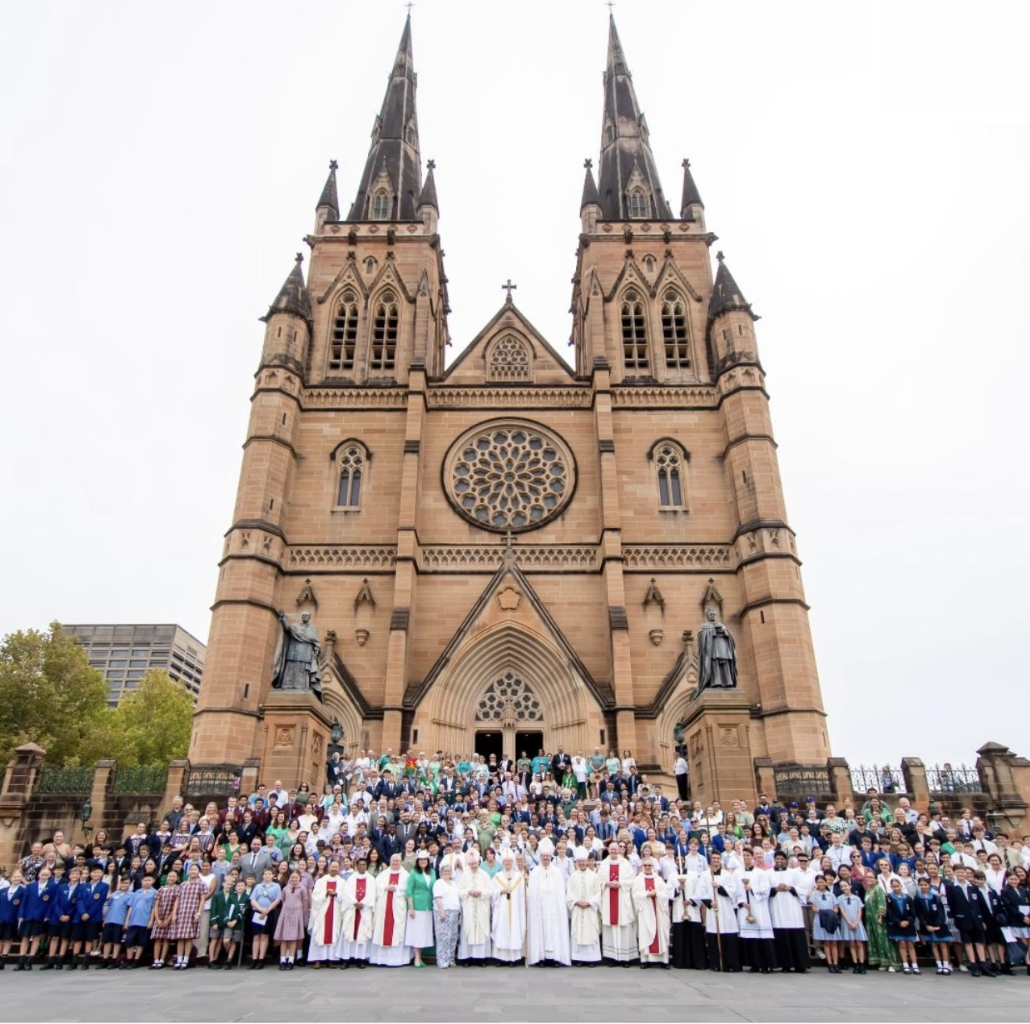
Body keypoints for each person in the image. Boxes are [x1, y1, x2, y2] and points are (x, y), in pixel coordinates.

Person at [695, 851, 742, 972]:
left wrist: (720, 887)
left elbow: (734, 890)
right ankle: (716, 963)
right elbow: (700, 892)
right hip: (713, 909)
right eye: (714, 858)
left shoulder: (727, 875)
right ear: (710, 860)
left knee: (728, 934)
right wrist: (710, 902)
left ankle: (730, 963)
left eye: (717, 858)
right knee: (714, 934)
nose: (716, 860)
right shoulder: (705, 875)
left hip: (725, 907)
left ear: (720, 860)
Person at [527, 842, 570, 967]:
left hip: (553, 908)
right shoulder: (535, 871)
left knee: (555, 931)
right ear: (540, 857)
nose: (545, 858)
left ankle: (556, 958)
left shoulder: (556, 872)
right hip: (539, 908)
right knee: (540, 932)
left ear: (551, 857)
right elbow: (532, 892)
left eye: (547, 856)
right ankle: (541, 958)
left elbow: (561, 891)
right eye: (543, 856)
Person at [737, 847, 776, 973]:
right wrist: (742, 902)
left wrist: (752, 889)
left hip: (759, 908)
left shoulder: (760, 873)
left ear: (752, 857)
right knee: (750, 938)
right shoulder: (738, 873)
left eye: (748, 855)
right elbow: (734, 891)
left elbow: (766, 889)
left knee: (762, 937)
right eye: (744, 855)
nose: (746, 857)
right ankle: (754, 964)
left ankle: (766, 964)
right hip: (745, 908)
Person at [600, 839, 636, 964]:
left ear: (619, 850)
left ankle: (625, 957)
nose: (614, 851)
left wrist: (620, 884)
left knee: (623, 926)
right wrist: (606, 883)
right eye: (612, 849)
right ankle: (612, 957)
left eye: (616, 849)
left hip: (621, 897)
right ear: (608, 850)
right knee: (610, 927)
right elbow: (598, 880)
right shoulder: (604, 864)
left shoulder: (625, 863)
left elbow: (632, 879)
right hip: (608, 898)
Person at [632, 857, 672, 969]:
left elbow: (666, 892)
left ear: (653, 867)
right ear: (642, 867)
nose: (648, 867)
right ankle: (645, 960)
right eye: (645, 865)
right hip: (645, 910)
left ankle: (664, 960)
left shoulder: (658, 879)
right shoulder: (638, 879)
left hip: (658, 910)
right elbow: (635, 894)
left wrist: (657, 893)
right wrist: (646, 894)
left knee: (661, 934)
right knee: (645, 933)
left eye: (650, 865)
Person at [370, 853, 410, 967]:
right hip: (383, 907)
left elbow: (407, 889)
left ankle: (397, 959)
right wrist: (385, 888)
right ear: (390, 862)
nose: (395, 863)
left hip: (398, 907)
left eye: (397, 861)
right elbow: (376, 888)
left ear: (401, 862)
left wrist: (396, 888)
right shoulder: (383, 874)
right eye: (393, 861)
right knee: (382, 928)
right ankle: (382, 958)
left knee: (397, 930)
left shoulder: (405, 875)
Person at [566, 848, 602, 965]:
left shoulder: (594, 876)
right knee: (578, 931)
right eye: (579, 861)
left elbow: (598, 892)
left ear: (587, 861)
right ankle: (578, 958)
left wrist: (590, 903)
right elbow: (569, 892)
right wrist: (576, 902)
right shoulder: (572, 877)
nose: (581, 863)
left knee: (590, 931)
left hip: (590, 908)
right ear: (576, 863)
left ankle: (592, 958)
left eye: (583, 861)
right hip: (577, 908)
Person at [16, 864, 55, 970]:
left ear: (50, 876)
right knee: (25, 937)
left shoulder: (52, 886)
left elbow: (52, 903)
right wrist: (21, 914)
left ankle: (30, 960)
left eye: (46, 874)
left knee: (36, 937)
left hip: (40, 916)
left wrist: (47, 914)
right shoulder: (31, 886)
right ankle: (21, 960)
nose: (44, 876)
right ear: (39, 875)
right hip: (28, 915)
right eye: (42, 874)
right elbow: (24, 901)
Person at [457, 848, 492, 965]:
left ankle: (481, 958)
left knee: (481, 930)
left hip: (481, 907)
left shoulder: (485, 875)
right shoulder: (464, 875)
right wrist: (468, 892)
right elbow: (459, 891)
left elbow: (490, 891)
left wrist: (481, 892)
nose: (473, 866)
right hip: (469, 907)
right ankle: (467, 958)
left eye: (475, 863)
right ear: (468, 863)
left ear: (479, 862)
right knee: (468, 929)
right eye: (471, 864)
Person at [491, 851, 526, 966]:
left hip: (515, 909)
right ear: (502, 862)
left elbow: (522, 895)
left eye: (510, 861)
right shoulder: (497, 876)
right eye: (506, 861)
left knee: (514, 930)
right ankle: (500, 958)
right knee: (501, 930)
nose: (508, 863)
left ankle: (512, 959)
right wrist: (501, 891)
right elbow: (492, 892)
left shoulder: (519, 877)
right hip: (501, 909)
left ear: (513, 862)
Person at [914, 874, 952, 974]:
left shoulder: (936, 897)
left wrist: (938, 925)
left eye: (925, 884)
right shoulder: (918, 898)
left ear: (929, 885)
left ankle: (946, 965)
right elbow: (919, 913)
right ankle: (939, 964)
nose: (923, 887)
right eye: (921, 885)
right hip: (928, 925)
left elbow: (941, 912)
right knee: (934, 944)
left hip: (939, 925)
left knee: (943, 945)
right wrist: (926, 925)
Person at [405, 850, 435, 968]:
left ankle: (420, 956)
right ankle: (416, 957)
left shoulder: (432, 872)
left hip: (428, 906)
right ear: (418, 861)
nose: (423, 862)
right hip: (417, 906)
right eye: (421, 860)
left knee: (423, 932)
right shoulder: (413, 873)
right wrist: (411, 907)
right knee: (416, 932)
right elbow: (409, 890)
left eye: (425, 860)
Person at [273, 870, 308, 970]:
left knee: (293, 939)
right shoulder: (285, 889)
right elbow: (283, 900)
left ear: (299, 878)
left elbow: (304, 902)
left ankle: (291, 960)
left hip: (297, 914)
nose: (294, 879)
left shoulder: (302, 889)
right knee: (284, 939)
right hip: (286, 913)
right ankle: (283, 959)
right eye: (292, 877)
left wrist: (304, 915)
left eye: (296, 877)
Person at [248, 867, 282, 970]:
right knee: (256, 936)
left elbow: (277, 899)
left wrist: (267, 910)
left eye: (269, 874)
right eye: (265, 874)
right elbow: (252, 899)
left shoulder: (276, 886)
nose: (267, 876)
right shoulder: (258, 886)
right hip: (257, 912)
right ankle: (254, 959)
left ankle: (261, 959)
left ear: (273, 875)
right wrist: (260, 909)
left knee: (264, 936)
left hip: (268, 912)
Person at [809, 873, 842, 973]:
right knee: (827, 943)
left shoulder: (830, 894)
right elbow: (814, 908)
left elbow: (836, 907)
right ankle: (830, 964)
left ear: (825, 882)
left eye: (822, 882)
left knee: (834, 943)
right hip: (821, 919)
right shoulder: (814, 894)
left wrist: (831, 913)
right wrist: (824, 912)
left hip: (831, 919)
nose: (821, 884)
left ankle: (836, 963)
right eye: (819, 882)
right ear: (816, 884)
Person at [886, 877, 919, 974]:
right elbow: (890, 912)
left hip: (908, 924)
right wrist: (898, 922)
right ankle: (905, 964)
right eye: (894, 887)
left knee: (910, 944)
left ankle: (915, 965)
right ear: (891, 887)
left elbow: (913, 912)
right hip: (897, 924)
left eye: (897, 886)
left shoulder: (907, 897)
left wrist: (908, 921)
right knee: (902, 944)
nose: (896, 888)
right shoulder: (889, 898)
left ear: (901, 886)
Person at [99, 873, 132, 969]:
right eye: (123, 883)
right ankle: (105, 959)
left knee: (117, 941)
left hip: (120, 920)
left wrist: (126, 922)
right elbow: (109, 907)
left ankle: (114, 959)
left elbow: (129, 909)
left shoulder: (131, 895)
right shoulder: (114, 894)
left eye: (127, 883)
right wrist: (105, 919)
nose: (124, 885)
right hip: (110, 920)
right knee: (107, 941)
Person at [432, 861, 461, 969]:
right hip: (443, 911)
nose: (447, 872)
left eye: (449, 871)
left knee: (453, 937)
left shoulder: (453, 883)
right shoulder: (438, 883)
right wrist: (441, 911)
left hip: (454, 912)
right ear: (441, 872)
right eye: (445, 870)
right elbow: (437, 897)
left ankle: (450, 959)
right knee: (443, 937)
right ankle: (442, 960)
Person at [836, 878, 867, 974]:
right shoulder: (840, 898)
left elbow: (859, 911)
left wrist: (857, 922)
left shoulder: (856, 898)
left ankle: (861, 964)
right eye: (842, 887)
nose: (844, 888)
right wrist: (849, 923)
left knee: (859, 943)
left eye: (846, 885)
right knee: (852, 944)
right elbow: (842, 912)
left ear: (850, 886)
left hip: (857, 922)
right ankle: (855, 963)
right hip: (847, 923)